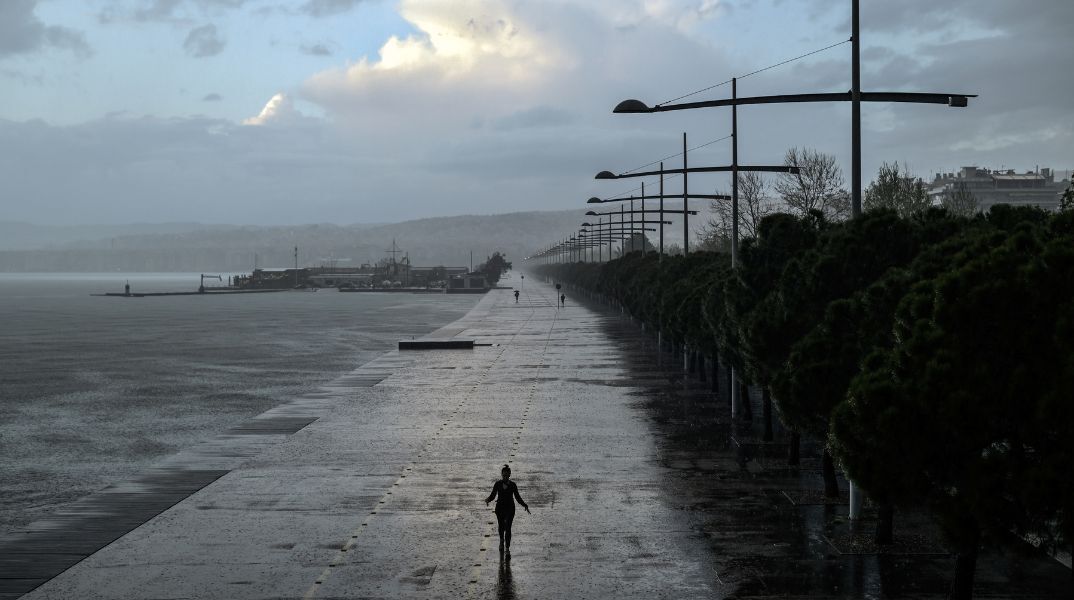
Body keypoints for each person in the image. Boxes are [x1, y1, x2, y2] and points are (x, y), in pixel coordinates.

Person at [485, 464, 529, 557]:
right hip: (500, 508)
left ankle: (507, 548)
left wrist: (524, 504)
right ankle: (501, 541)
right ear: (501, 475)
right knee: (501, 526)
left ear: (509, 475)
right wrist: (488, 500)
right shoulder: (497, 484)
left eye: (507, 475)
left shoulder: (513, 485)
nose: (505, 477)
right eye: (504, 475)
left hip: (510, 509)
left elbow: (517, 497)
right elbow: (493, 495)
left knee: (508, 528)